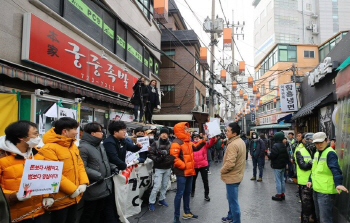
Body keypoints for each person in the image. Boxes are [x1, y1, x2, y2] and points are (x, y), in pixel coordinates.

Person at [39, 117, 89, 223]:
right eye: (74, 129)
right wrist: (72, 189)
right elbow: (52, 173)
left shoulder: (72, 146)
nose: (77, 132)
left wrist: (83, 182)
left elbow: (80, 165)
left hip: (75, 197)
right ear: (64, 131)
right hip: (60, 199)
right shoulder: (49, 148)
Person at [0, 121, 52, 223]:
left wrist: (48, 196)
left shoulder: (38, 156)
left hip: (37, 212)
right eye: (35, 134)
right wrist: (15, 196)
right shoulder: (2, 159)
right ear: (21, 137)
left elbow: (46, 180)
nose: (38, 137)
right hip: (13, 216)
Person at [78, 122, 118, 223]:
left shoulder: (100, 145)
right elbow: (82, 167)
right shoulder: (83, 147)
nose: (102, 133)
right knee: (89, 213)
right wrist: (97, 175)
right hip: (93, 186)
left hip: (104, 186)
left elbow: (105, 161)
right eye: (100, 131)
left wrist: (113, 167)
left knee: (99, 213)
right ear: (92, 133)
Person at [307, 132, 349, 223]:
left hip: (325, 192)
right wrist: (310, 180)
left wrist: (338, 183)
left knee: (325, 219)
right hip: (316, 189)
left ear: (327, 140)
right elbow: (314, 170)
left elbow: (336, 169)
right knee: (319, 216)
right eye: (317, 143)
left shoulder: (330, 153)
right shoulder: (317, 153)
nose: (319, 145)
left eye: (321, 142)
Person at [170, 122, 206, 223]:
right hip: (182, 172)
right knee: (179, 194)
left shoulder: (188, 141)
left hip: (190, 172)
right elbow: (174, 158)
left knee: (187, 193)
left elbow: (196, 148)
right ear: (180, 130)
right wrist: (184, 166)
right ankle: (176, 217)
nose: (187, 131)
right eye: (185, 129)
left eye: (187, 129)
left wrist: (203, 141)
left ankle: (187, 212)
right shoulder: (176, 142)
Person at [220, 122, 246, 223]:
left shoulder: (233, 144)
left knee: (233, 201)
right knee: (231, 199)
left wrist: (221, 170)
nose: (226, 132)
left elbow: (230, 163)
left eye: (228, 131)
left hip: (232, 177)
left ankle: (236, 220)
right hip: (237, 175)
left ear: (234, 133)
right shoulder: (240, 141)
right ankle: (230, 216)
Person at [147, 128, 175, 211]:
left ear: (168, 134)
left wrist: (171, 164)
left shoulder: (171, 144)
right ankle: (151, 202)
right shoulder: (155, 143)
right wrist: (157, 159)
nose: (164, 135)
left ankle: (161, 199)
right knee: (156, 186)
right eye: (162, 133)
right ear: (159, 134)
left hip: (168, 168)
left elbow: (173, 155)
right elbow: (150, 154)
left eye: (165, 133)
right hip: (158, 168)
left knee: (164, 185)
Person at [294, 133, 317, 222]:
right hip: (304, 182)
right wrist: (312, 162)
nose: (310, 142)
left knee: (314, 206)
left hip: (315, 181)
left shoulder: (314, 149)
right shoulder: (300, 150)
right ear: (303, 140)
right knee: (306, 207)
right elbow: (302, 165)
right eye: (309, 140)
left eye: (312, 140)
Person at [268, 132, 289, 201]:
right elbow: (286, 156)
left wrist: (268, 154)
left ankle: (279, 194)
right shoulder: (283, 145)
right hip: (283, 165)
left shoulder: (275, 146)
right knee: (282, 180)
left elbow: (272, 156)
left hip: (277, 165)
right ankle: (283, 193)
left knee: (278, 180)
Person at [191, 133, 212, 201]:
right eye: (195, 137)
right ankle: (192, 191)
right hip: (194, 165)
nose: (196, 138)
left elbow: (210, 143)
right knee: (193, 180)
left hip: (203, 164)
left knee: (205, 180)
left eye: (197, 137)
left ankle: (206, 195)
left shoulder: (203, 143)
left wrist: (213, 137)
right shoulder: (191, 144)